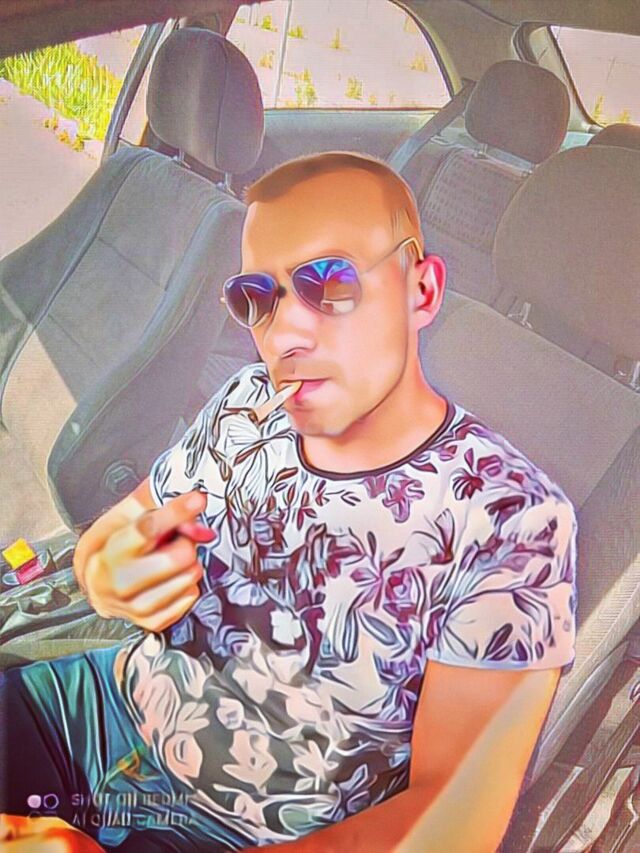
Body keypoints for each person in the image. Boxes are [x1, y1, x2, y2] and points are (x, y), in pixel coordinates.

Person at [0, 151, 578, 852]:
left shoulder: (513, 519)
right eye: (257, 298)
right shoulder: (246, 404)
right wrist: (107, 572)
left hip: (250, 831)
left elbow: (452, 821)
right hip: (101, 707)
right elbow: (112, 533)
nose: (284, 333)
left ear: (421, 290)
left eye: (330, 283)